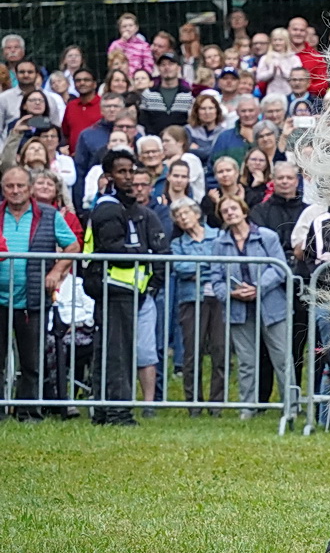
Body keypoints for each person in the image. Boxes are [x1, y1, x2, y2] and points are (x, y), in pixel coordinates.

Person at [82, 149, 164, 425]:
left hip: (127, 290)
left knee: (116, 352)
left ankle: (107, 411)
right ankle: (116, 412)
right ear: (109, 176)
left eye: (131, 171)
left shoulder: (125, 207)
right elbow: (113, 249)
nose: (129, 177)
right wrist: (141, 251)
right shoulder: (108, 208)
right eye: (122, 172)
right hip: (113, 288)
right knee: (116, 354)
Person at [0, 165, 78, 420]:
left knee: (32, 361)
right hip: (0, 298)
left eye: (20, 186)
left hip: (32, 298)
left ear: (30, 188)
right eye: (9, 186)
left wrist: (57, 271)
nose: (15, 191)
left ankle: (29, 412)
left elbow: (73, 246)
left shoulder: (49, 214)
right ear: (3, 188)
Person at [212, 196, 290, 419]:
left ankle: (290, 406)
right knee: (246, 362)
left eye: (233, 208)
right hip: (239, 309)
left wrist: (258, 287)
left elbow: (279, 268)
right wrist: (231, 293)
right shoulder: (219, 244)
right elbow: (215, 278)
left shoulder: (267, 237)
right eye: (225, 210)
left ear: (244, 211)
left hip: (272, 307)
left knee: (282, 358)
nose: (230, 213)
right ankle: (247, 408)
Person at [168, 199, 227, 414]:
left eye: (186, 213)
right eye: (178, 216)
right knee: (192, 352)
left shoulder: (218, 236)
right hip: (190, 300)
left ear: (197, 214)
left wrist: (198, 270)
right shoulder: (177, 244)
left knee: (220, 350)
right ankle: (193, 403)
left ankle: (216, 404)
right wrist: (207, 267)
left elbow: (221, 263)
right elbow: (180, 267)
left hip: (218, 298)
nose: (183, 218)